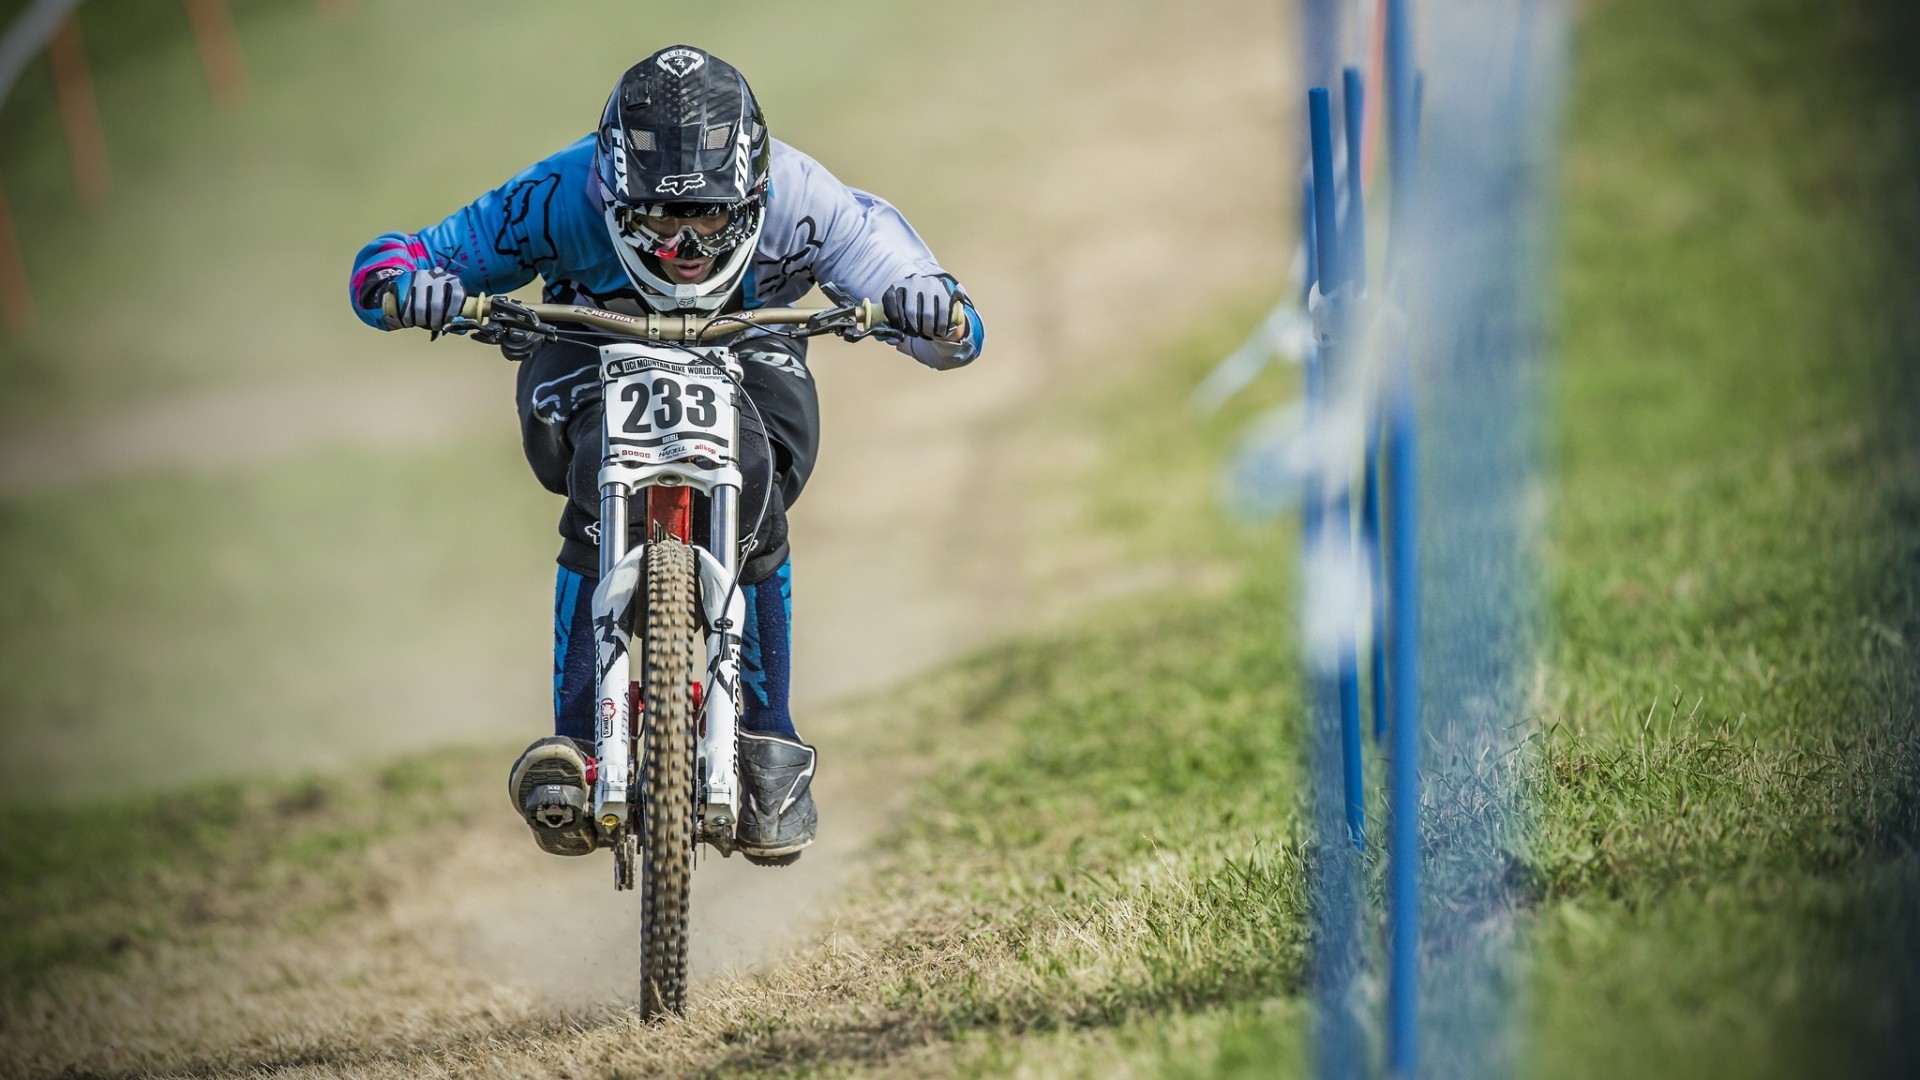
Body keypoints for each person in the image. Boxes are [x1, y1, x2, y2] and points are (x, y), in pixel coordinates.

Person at [348, 45, 983, 864]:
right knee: (589, 469)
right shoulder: (553, 195)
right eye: (657, 218)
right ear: (610, 193)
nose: (685, 244)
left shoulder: (804, 197)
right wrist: (411, 286)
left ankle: (770, 739)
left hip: (747, 343)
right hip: (589, 340)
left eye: (710, 218)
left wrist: (928, 307)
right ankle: (576, 741)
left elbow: (953, 327)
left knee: (758, 483)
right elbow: (391, 262)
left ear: (753, 194)